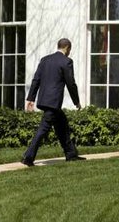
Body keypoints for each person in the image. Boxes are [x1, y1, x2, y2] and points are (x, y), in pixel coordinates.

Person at [21, 38, 86, 166]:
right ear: (67, 48)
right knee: (43, 129)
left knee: (63, 125)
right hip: (53, 102)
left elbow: (36, 80)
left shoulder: (45, 60)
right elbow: (71, 83)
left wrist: (30, 99)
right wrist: (76, 102)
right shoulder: (66, 62)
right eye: (69, 50)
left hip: (45, 100)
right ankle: (28, 157)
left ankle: (71, 154)